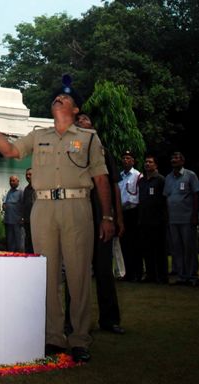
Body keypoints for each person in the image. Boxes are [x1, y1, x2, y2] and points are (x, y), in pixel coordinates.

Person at [0, 76, 114, 364]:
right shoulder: (39, 136)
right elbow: (10, 150)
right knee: (47, 275)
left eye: (64, 98)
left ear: (76, 109)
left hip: (77, 207)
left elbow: (101, 179)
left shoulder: (89, 138)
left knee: (77, 275)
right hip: (43, 208)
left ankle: (79, 339)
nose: (58, 99)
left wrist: (108, 216)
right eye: (55, 97)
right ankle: (53, 337)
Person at [78, 113, 125, 335]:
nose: (81, 121)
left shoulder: (104, 151)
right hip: (78, 215)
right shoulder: (72, 150)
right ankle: (74, 322)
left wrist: (116, 217)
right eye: (78, 120)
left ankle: (110, 319)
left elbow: (113, 185)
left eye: (86, 118)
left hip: (101, 215)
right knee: (77, 271)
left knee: (104, 270)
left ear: (93, 124)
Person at [163, 151, 199, 286]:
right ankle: (181, 275)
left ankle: (192, 276)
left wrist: (195, 215)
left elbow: (196, 195)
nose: (174, 160)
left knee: (189, 247)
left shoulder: (190, 175)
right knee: (176, 248)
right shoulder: (168, 178)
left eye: (177, 158)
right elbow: (167, 197)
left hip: (187, 217)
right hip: (173, 219)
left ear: (182, 161)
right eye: (172, 158)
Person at [138, 155, 168, 284]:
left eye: (150, 162)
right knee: (147, 249)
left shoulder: (160, 180)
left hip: (158, 220)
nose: (147, 164)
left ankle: (162, 276)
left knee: (160, 249)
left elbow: (164, 200)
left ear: (156, 165)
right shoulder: (142, 181)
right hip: (145, 220)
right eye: (146, 162)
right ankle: (150, 275)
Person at [118, 151, 143, 281]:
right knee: (124, 244)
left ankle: (138, 273)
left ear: (133, 161)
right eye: (124, 158)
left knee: (135, 243)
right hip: (123, 212)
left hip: (133, 210)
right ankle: (128, 272)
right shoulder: (120, 176)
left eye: (128, 158)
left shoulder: (137, 175)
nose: (125, 160)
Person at [3, 175, 24, 252]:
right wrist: (4, 205)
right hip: (8, 221)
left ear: (18, 181)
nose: (11, 182)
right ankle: (10, 258)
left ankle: (19, 258)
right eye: (10, 181)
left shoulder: (21, 192)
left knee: (18, 243)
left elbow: (23, 205)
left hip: (17, 222)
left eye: (13, 181)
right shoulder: (9, 191)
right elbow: (5, 202)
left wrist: (22, 218)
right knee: (9, 243)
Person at [22, 168, 36, 254]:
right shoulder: (26, 189)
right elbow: (24, 204)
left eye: (30, 174)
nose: (28, 176)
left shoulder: (38, 188)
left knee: (35, 241)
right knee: (28, 241)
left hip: (36, 221)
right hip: (27, 221)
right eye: (26, 174)